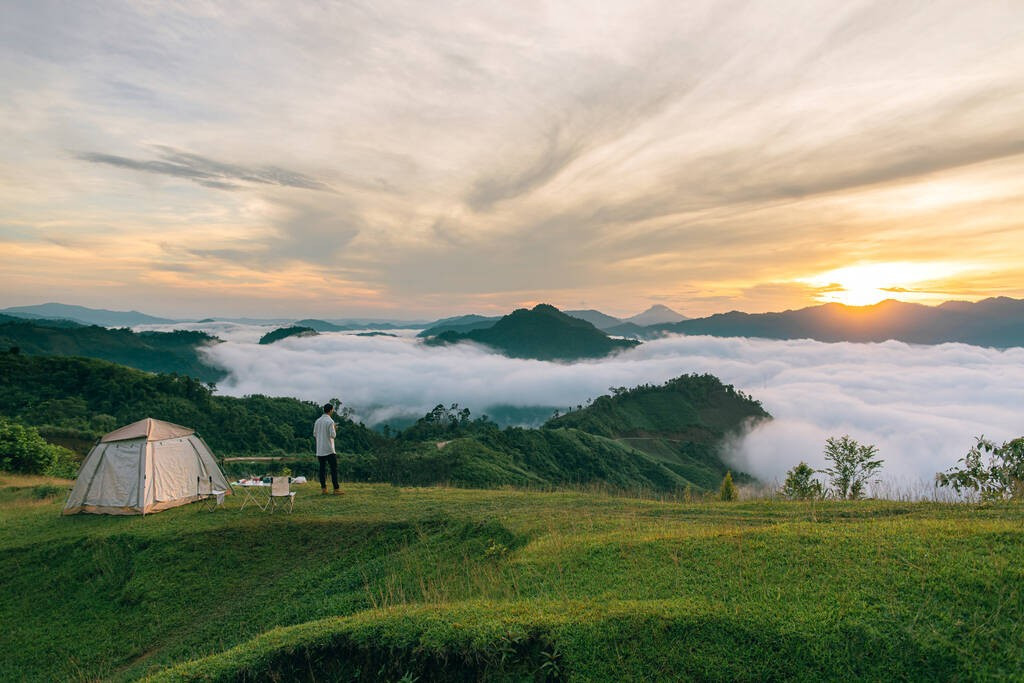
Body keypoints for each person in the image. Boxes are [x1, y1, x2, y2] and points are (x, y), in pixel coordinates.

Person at [313, 403, 341, 495]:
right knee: (333, 469)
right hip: (329, 449)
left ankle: (324, 489)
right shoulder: (330, 422)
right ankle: (336, 489)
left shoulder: (317, 421)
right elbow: (333, 435)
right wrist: (335, 428)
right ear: (330, 410)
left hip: (320, 449)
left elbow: (315, 434)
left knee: (322, 469)